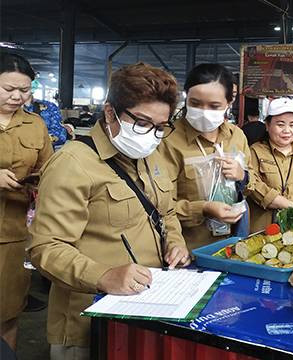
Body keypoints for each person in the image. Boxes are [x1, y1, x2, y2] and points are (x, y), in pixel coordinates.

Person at [28, 63, 191, 359]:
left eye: (160, 128)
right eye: (142, 123)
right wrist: (103, 275)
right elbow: (46, 248)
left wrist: (176, 242)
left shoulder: (150, 157)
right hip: (87, 320)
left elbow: (166, 213)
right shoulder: (74, 164)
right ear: (109, 112)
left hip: (143, 310)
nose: (151, 135)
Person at [158, 64, 250, 251]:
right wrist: (203, 208)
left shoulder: (236, 136)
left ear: (228, 103)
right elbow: (160, 206)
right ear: (185, 97)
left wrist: (243, 176)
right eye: (195, 103)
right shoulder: (167, 141)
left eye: (214, 106)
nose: (204, 111)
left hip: (234, 244)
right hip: (190, 249)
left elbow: (252, 180)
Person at [0, 53, 53, 352]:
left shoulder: (35, 125)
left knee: (7, 312)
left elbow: (48, 167)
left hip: (13, 236)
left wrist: (40, 181)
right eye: (9, 89)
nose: (18, 96)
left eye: (25, 90)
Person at [246, 97, 293, 233]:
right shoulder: (255, 152)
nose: (287, 130)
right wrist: (292, 206)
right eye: (280, 125)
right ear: (267, 126)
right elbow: (254, 187)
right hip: (263, 229)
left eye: (292, 125)